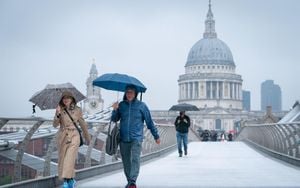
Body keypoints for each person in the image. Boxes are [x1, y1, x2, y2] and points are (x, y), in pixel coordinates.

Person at [111, 85, 160, 188]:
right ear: (125, 93)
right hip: (123, 137)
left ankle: (133, 181)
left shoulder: (142, 106)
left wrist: (156, 136)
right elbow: (114, 119)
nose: (129, 94)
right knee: (126, 161)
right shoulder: (122, 105)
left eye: (131, 92)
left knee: (135, 159)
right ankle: (130, 181)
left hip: (136, 137)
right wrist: (115, 110)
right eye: (127, 92)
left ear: (135, 94)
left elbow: (149, 122)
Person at [53, 91, 91, 188]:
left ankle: (66, 182)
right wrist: (57, 114)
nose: (66, 100)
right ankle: (71, 180)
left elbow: (82, 123)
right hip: (63, 136)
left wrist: (87, 137)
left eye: (68, 98)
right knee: (63, 159)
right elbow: (55, 125)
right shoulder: (59, 109)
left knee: (69, 158)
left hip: (74, 135)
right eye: (64, 98)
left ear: (72, 99)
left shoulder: (78, 110)